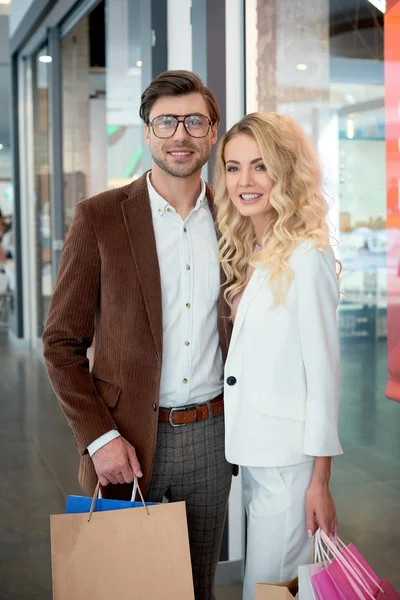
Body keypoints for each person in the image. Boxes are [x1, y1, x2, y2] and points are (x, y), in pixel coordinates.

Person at [42, 70, 233, 600]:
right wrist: (99, 439)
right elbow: (61, 344)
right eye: (166, 122)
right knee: (126, 587)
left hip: (213, 437)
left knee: (197, 587)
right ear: (147, 132)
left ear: (212, 131)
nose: (180, 134)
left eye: (194, 121)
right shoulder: (100, 218)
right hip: (124, 441)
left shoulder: (233, 219)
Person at [214, 111, 343, 600]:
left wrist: (320, 483)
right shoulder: (254, 249)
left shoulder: (307, 258)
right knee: (271, 587)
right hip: (256, 456)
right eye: (232, 167)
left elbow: (325, 377)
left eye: (259, 166)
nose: (244, 181)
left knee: (269, 590)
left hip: (290, 467)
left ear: (285, 171)